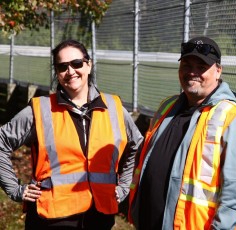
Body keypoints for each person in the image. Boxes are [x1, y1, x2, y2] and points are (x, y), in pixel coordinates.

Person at [0, 39, 143, 229]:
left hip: (99, 218)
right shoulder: (40, 110)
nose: (70, 71)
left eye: (76, 64)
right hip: (51, 219)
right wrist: (15, 189)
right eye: (62, 67)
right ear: (57, 73)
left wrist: (124, 187)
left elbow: (137, 146)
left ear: (89, 65)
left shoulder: (114, 108)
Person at [128, 36, 236, 230]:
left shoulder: (234, 119)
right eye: (187, 65)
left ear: (218, 71)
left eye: (201, 66)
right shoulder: (167, 106)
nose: (192, 72)